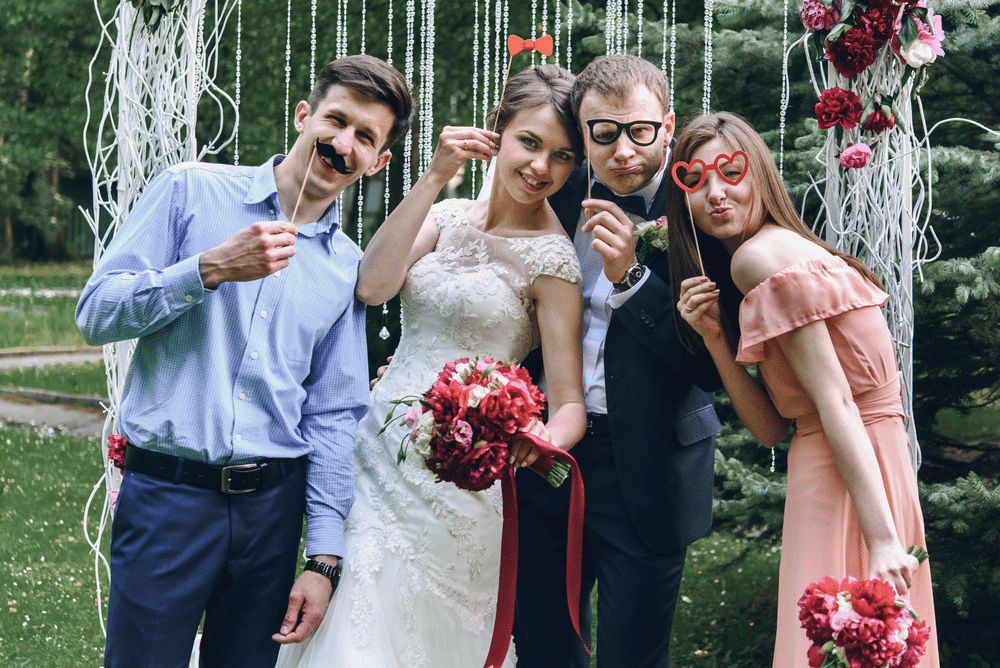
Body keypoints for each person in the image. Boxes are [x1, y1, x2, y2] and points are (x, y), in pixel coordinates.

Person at [75, 55, 413, 668]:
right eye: (335, 122)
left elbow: (334, 415)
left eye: (365, 137)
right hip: (167, 501)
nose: (342, 144)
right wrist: (207, 269)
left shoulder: (346, 269)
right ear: (304, 115)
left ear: (378, 161)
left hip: (271, 517)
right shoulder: (189, 191)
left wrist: (323, 557)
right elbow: (96, 312)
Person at [275, 64, 587, 668]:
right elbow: (373, 284)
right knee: (348, 615)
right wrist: (437, 175)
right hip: (374, 453)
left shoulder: (553, 260)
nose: (541, 168)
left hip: (461, 479)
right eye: (530, 143)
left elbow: (570, 401)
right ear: (496, 131)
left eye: (563, 155)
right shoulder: (445, 218)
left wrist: (540, 436)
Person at [667, 111, 939, 667]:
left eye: (730, 171)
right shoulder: (779, 251)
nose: (715, 193)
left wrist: (883, 538)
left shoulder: (757, 258)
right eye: (695, 180)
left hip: (845, 477)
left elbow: (836, 399)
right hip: (868, 466)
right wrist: (717, 339)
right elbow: (773, 429)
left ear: (760, 173)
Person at [513, 55, 723, 668]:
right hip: (544, 455)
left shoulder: (705, 210)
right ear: (583, 135)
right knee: (545, 649)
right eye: (604, 134)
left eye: (639, 131)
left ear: (668, 123)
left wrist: (631, 277)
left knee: (634, 656)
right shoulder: (555, 192)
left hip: (648, 467)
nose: (624, 152)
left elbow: (713, 369)